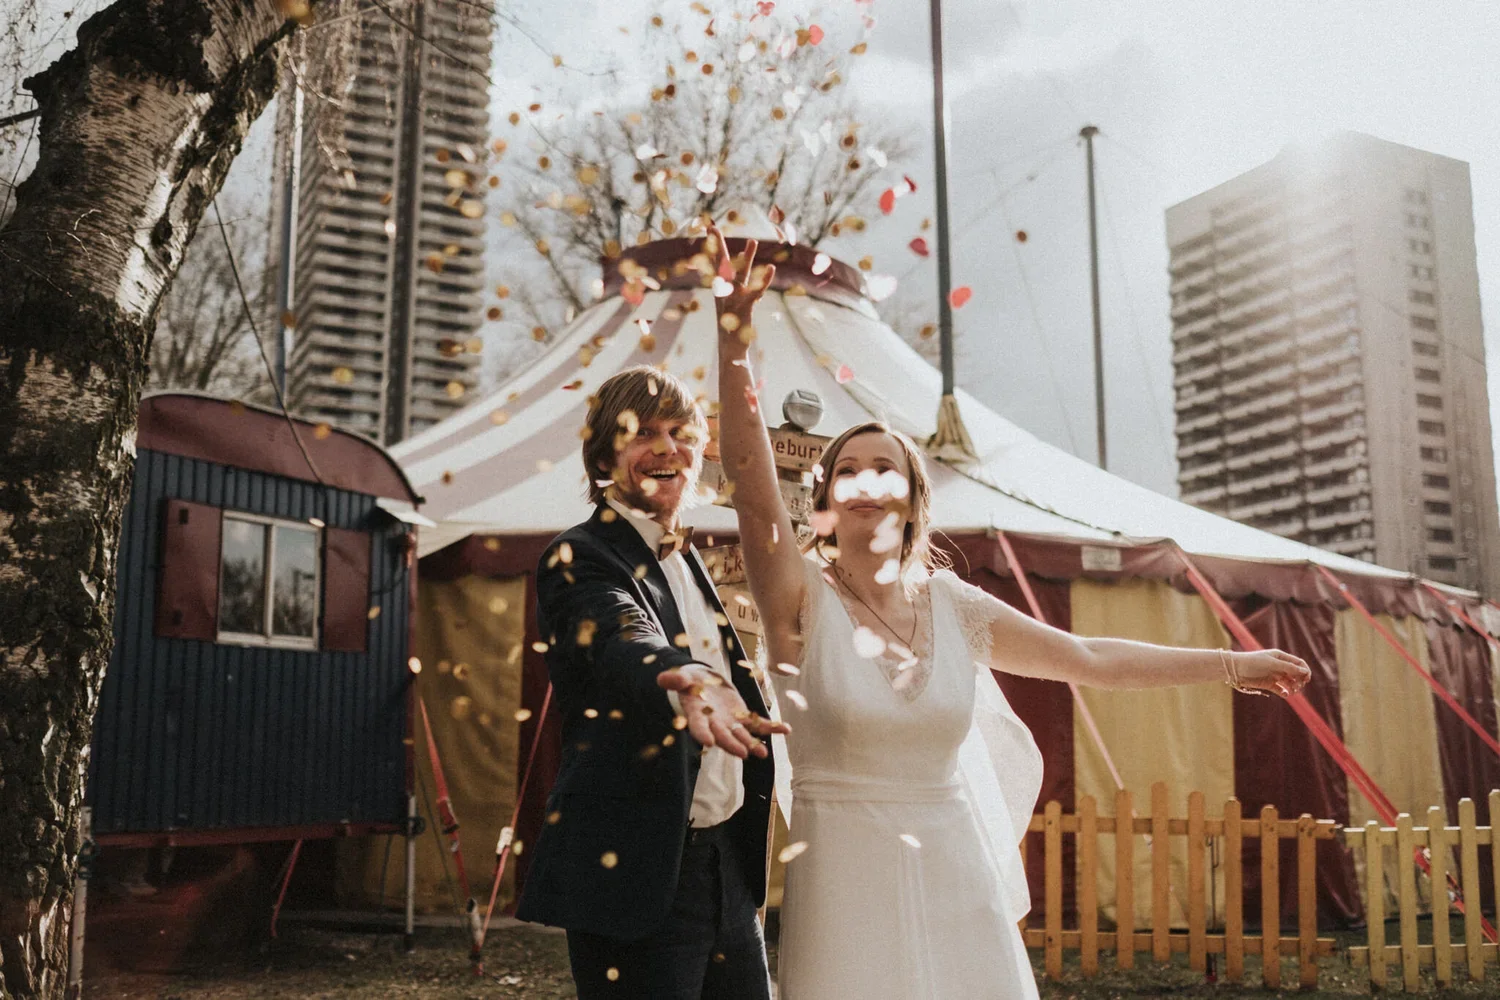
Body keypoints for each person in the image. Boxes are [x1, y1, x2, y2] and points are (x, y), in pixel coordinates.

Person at [707, 223, 1313, 999]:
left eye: (884, 467)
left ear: (913, 499)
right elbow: (751, 483)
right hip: (846, 887)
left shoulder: (953, 606)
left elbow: (1088, 659)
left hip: (957, 877)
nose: (864, 479)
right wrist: (734, 344)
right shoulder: (799, 602)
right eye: (845, 470)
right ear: (823, 501)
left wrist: (1229, 662)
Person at [514, 363, 790, 999]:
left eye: (680, 432)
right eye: (644, 433)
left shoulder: (687, 554)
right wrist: (685, 675)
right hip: (637, 869)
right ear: (603, 456)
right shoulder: (578, 555)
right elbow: (621, 635)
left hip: (725, 864)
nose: (667, 448)